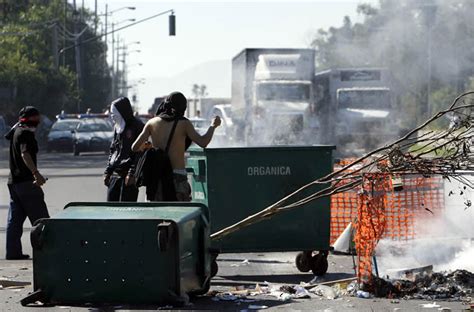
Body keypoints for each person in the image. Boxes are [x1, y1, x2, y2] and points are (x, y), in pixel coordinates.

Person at [132, 91, 221, 201]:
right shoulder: (184, 124)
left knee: (157, 214)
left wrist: (146, 146)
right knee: (178, 214)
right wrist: (213, 126)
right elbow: (203, 142)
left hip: (156, 178)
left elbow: (134, 147)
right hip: (177, 178)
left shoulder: (151, 123)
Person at [4, 106, 49, 260]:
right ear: (32, 119)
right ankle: (49, 253)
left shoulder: (16, 131)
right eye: (37, 119)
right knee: (42, 220)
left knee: (15, 220)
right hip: (26, 183)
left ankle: (13, 252)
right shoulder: (24, 133)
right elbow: (25, 153)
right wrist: (36, 173)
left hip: (14, 183)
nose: (39, 122)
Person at [104, 97, 144, 201]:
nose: (112, 116)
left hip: (129, 177)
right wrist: (108, 172)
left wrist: (132, 173)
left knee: (127, 211)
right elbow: (113, 150)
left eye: (114, 112)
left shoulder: (137, 126)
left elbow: (140, 153)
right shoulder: (117, 128)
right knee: (111, 211)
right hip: (115, 175)